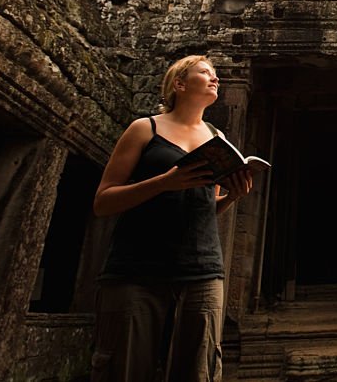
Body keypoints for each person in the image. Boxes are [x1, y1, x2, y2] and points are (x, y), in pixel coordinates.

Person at [91, 55, 253, 381]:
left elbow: (205, 208)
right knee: (126, 367)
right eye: (205, 72)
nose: (215, 78)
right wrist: (165, 182)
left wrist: (233, 195)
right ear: (179, 84)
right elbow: (103, 202)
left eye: (216, 74)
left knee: (198, 369)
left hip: (203, 269)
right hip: (137, 269)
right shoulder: (144, 129)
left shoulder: (217, 139)